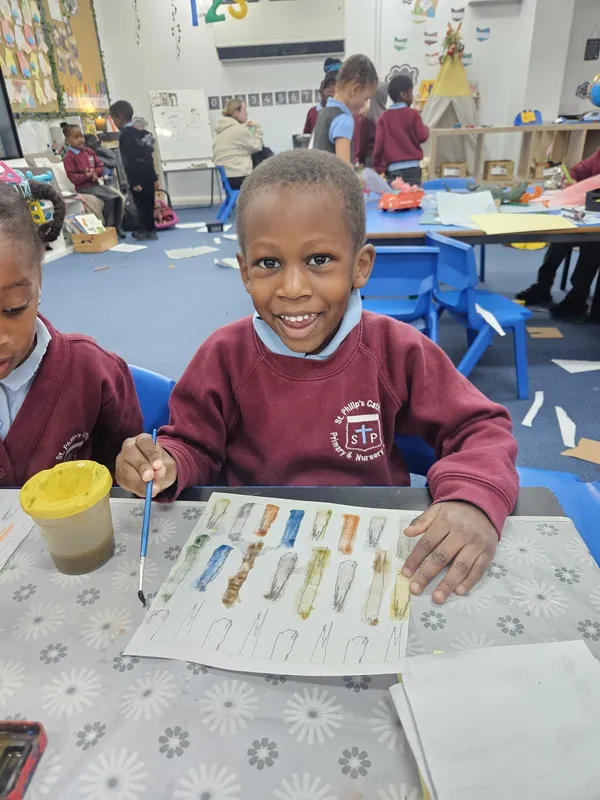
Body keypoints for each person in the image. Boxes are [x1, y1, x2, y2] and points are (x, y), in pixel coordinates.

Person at [115, 149, 518, 605]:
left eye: (320, 259)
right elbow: (194, 446)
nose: (293, 288)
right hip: (252, 551)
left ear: (360, 266)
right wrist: (165, 464)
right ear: (244, 271)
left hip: (367, 550)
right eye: (269, 264)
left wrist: (472, 497)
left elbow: (480, 427)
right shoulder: (223, 356)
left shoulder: (396, 349)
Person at [0, 181, 142, 485]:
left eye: (13, 308)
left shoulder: (94, 372)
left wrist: (134, 470)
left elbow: (125, 469)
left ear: (39, 279)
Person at [516, 148, 600, 309]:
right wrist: (571, 179)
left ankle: (578, 296)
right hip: (590, 211)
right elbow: (579, 170)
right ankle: (543, 285)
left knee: (592, 244)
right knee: (560, 238)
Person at [312, 54, 379, 165]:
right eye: (366, 98)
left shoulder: (324, 112)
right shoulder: (343, 119)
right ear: (355, 89)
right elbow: (344, 169)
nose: (366, 105)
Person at [62, 125, 125, 237]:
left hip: (95, 185)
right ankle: (107, 227)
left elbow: (100, 165)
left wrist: (96, 173)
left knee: (118, 197)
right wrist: (86, 176)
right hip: (84, 188)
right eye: (76, 137)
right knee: (110, 198)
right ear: (67, 141)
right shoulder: (69, 157)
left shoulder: (89, 151)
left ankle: (118, 227)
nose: (80, 139)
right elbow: (72, 177)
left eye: (81, 136)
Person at [109, 100, 159, 241]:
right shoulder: (143, 132)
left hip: (138, 176)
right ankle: (150, 229)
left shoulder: (126, 135)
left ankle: (145, 231)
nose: (114, 123)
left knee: (140, 205)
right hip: (148, 174)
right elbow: (150, 156)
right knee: (149, 204)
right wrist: (154, 177)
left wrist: (134, 181)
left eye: (114, 119)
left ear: (120, 117)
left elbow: (129, 161)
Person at [373, 74, 429, 184]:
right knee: (413, 194)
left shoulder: (384, 118)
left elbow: (379, 145)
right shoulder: (413, 114)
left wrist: (378, 166)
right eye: (411, 93)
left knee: (395, 195)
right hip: (413, 169)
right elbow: (422, 136)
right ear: (403, 94)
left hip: (393, 170)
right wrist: (426, 129)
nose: (412, 97)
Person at [213, 98, 264, 190]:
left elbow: (243, 144)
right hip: (240, 178)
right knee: (265, 153)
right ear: (237, 112)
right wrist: (258, 128)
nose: (247, 113)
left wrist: (249, 132)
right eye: (244, 110)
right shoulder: (238, 129)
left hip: (228, 178)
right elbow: (257, 146)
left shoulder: (222, 129)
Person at [357, 82, 388, 167]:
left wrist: (361, 161)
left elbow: (362, 145)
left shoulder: (366, 120)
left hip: (371, 160)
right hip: (387, 160)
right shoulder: (389, 118)